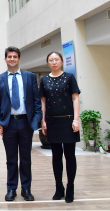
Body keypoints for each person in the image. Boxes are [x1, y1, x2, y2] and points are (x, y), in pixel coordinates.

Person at [0, 46, 42, 201]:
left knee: (26, 158)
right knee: (11, 159)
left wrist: (36, 118)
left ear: (19, 59)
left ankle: (26, 189)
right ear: (5, 59)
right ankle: (11, 189)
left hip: (25, 122)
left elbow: (36, 100)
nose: (12, 59)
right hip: (9, 124)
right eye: (9, 57)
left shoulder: (30, 77)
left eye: (15, 56)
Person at [40, 51, 81, 203]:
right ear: (48, 63)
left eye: (57, 59)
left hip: (68, 121)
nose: (54, 62)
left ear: (62, 61)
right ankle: (59, 187)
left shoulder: (69, 77)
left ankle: (70, 187)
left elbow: (75, 98)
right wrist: (43, 121)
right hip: (52, 122)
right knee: (56, 156)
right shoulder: (44, 80)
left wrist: (76, 120)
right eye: (51, 60)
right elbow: (43, 102)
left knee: (70, 156)